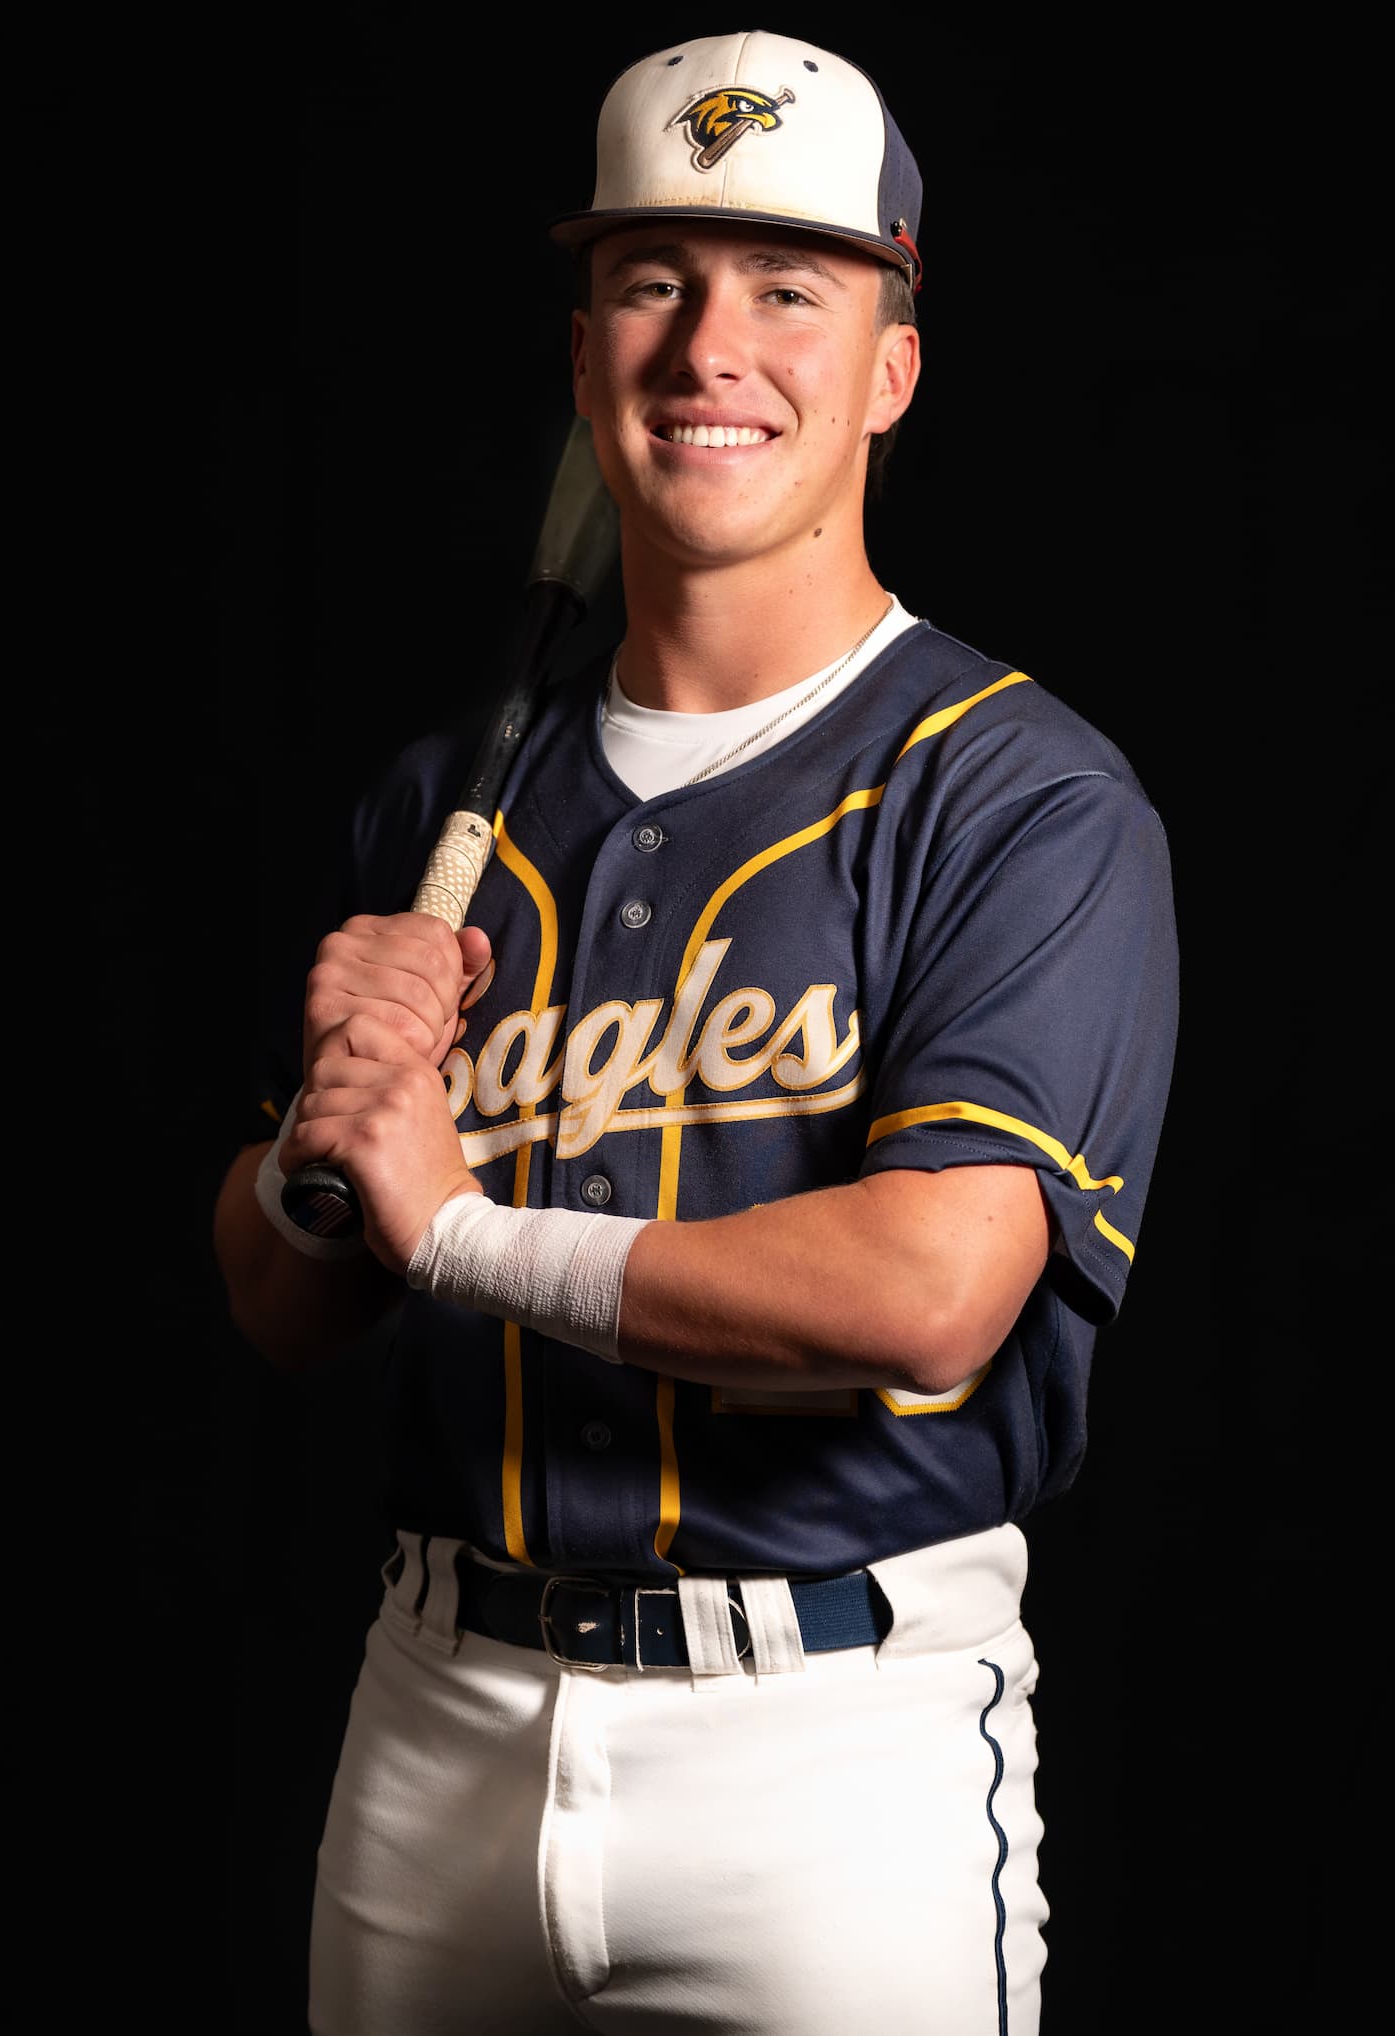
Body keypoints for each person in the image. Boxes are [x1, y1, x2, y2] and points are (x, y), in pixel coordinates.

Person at [214, 29, 1179, 2035]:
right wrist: (325, 1139)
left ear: (888, 368)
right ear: (584, 355)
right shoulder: (442, 812)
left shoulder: (1014, 797)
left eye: (786, 290)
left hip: (830, 1744)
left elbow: (929, 1289)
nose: (707, 347)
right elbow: (284, 1293)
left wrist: (452, 1222)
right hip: (437, 1714)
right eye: (655, 282)